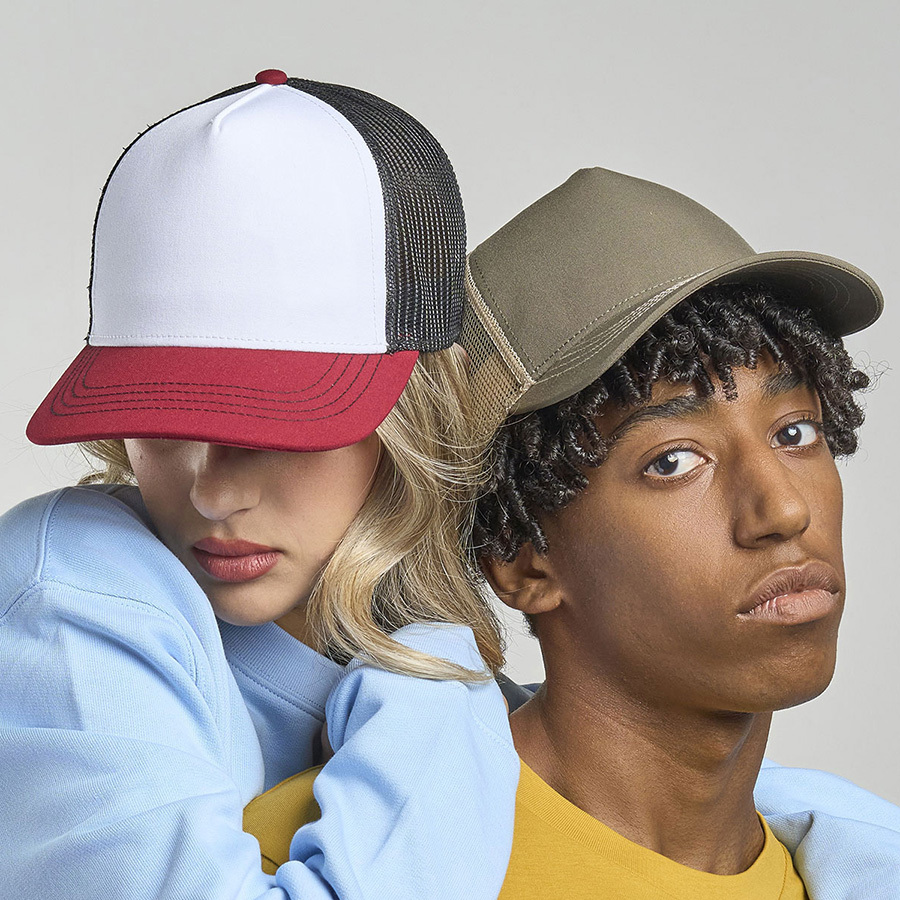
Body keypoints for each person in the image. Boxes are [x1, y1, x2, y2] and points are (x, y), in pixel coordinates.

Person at [243, 167, 900, 898]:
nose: (783, 510)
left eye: (795, 432)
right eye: (673, 461)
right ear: (521, 558)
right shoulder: (313, 867)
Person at [0, 71, 519, 899]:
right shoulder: (76, 589)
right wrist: (439, 686)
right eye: (161, 421)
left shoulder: (371, 647)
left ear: (411, 411)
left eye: (267, 429)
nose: (211, 495)